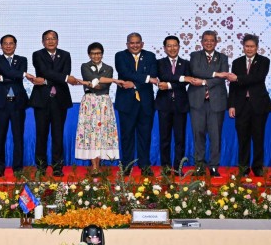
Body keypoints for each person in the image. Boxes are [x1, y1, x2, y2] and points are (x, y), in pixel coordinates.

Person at [27, 29, 77, 177]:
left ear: (57, 41)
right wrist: (64, 78)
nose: (50, 41)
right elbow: (44, 71)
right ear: (43, 42)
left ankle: (57, 167)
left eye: (53, 38)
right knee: (41, 134)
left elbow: (64, 72)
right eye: (47, 39)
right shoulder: (37, 55)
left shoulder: (65, 55)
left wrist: (47, 80)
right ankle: (41, 166)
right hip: (42, 100)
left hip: (60, 100)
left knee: (58, 135)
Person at [187, 30, 234, 176]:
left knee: (215, 136)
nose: (208, 43)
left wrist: (205, 81)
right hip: (197, 102)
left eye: (211, 40)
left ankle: (214, 166)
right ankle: (199, 166)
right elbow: (196, 70)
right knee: (198, 134)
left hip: (216, 102)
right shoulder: (195, 56)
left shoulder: (223, 57)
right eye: (206, 40)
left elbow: (223, 77)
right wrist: (215, 73)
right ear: (201, 42)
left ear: (216, 42)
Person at [228, 33, 271, 177]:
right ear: (243, 47)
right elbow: (233, 86)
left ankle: (258, 167)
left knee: (258, 137)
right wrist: (231, 105)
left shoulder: (264, 61)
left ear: (257, 47)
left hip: (259, 105)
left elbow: (257, 78)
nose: (249, 49)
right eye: (247, 46)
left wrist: (238, 78)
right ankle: (243, 168)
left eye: (252, 46)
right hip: (241, 106)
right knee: (243, 139)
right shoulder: (237, 62)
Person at [114, 32, 158, 174]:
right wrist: (146, 79)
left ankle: (145, 166)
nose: (135, 45)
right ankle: (127, 166)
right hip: (126, 103)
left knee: (145, 136)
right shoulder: (120, 56)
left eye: (137, 42)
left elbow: (153, 74)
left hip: (146, 103)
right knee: (127, 136)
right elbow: (125, 73)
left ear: (142, 44)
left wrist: (134, 84)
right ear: (127, 44)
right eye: (131, 43)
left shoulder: (150, 56)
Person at [74, 42, 119, 170]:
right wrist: (93, 82)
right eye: (93, 54)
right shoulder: (85, 66)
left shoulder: (109, 68)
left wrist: (90, 82)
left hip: (104, 102)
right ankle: (94, 166)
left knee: (103, 132)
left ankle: (99, 163)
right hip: (89, 102)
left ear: (102, 54)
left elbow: (102, 86)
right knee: (91, 132)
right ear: (89, 55)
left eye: (98, 53)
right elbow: (92, 80)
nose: (96, 56)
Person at [0, 34, 28, 177]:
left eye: (11, 43)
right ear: (1, 46)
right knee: (0, 136)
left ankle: (18, 168)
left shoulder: (22, 60)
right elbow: (11, 73)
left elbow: (16, 76)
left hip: (18, 103)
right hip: (1, 103)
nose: (8, 46)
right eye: (5, 43)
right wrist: (18, 75)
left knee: (18, 136)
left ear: (15, 45)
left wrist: (2, 78)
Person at [155, 35, 195, 173]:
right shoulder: (159, 63)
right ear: (164, 48)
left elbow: (185, 83)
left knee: (180, 139)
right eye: (169, 46)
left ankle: (178, 168)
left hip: (180, 105)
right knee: (164, 138)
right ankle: (166, 168)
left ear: (179, 47)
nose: (172, 48)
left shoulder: (186, 63)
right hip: (164, 105)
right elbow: (164, 76)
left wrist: (170, 85)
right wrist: (182, 78)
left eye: (175, 45)